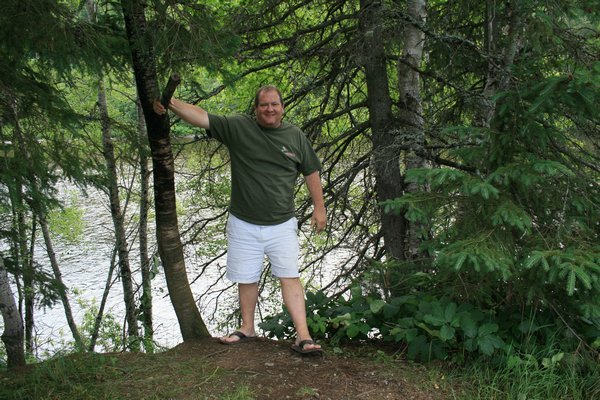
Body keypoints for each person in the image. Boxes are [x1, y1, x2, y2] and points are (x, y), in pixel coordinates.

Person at [153, 85, 326, 354]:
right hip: (243, 222)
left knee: (290, 276)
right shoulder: (239, 128)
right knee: (246, 277)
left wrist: (319, 208)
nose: (269, 109)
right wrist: (170, 102)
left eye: (274, 105)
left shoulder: (295, 136)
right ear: (255, 108)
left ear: (282, 108)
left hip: (282, 224)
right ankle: (247, 328)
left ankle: (303, 337)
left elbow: (311, 171)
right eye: (264, 105)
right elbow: (202, 117)